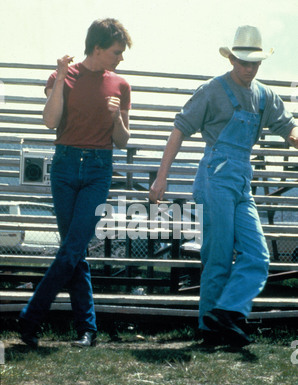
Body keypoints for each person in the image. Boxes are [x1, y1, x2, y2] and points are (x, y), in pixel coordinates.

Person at [149, 25, 298, 346]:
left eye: (254, 63)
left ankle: (227, 313)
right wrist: (162, 176)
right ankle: (210, 328)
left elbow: (290, 130)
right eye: (243, 62)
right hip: (214, 177)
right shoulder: (212, 91)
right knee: (216, 257)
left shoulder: (264, 95)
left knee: (257, 256)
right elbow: (179, 130)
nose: (249, 68)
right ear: (231, 59)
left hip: (242, 181)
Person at [19, 18, 132, 348]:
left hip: (99, 169)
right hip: (65, 167)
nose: (120, 58)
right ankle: (87, 329)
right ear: (97, 48)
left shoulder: (120, 85)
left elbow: (123, 141)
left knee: (72, 248)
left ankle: (30, 316)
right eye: (116, 52)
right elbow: (50, 121)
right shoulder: (63, 75)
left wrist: (116, 118)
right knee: (75, 250)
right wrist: (58, 78)